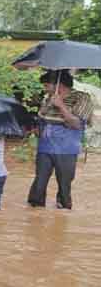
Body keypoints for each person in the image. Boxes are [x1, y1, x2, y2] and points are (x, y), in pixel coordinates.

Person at [27, 70, 93, 209]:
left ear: (60, 85)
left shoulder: (82, 98)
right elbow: (42, 119)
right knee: (39, 183)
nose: (45, 89)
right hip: (45, 146)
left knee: (64, 184)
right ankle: (34, 211)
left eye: (46, 85)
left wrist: (61, 105)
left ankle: (63, 210)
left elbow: (76, 124)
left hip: (67, 148)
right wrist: (36, 129)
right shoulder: (48, 98)